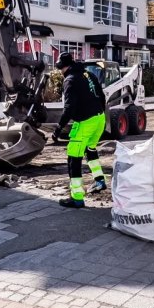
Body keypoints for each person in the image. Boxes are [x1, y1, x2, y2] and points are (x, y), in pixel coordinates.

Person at [52, 53, 108, 208]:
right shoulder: (88, 74)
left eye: (61, 68)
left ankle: (76, 197)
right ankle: (99, 180)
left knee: (73, 158)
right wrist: (99, 112)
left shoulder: (70, 80)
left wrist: (58, 128)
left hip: (85, 122)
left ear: (65, 67)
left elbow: (69, 108)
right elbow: (101, 96)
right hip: (99, 118)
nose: (60, 71)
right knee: (90, 149)